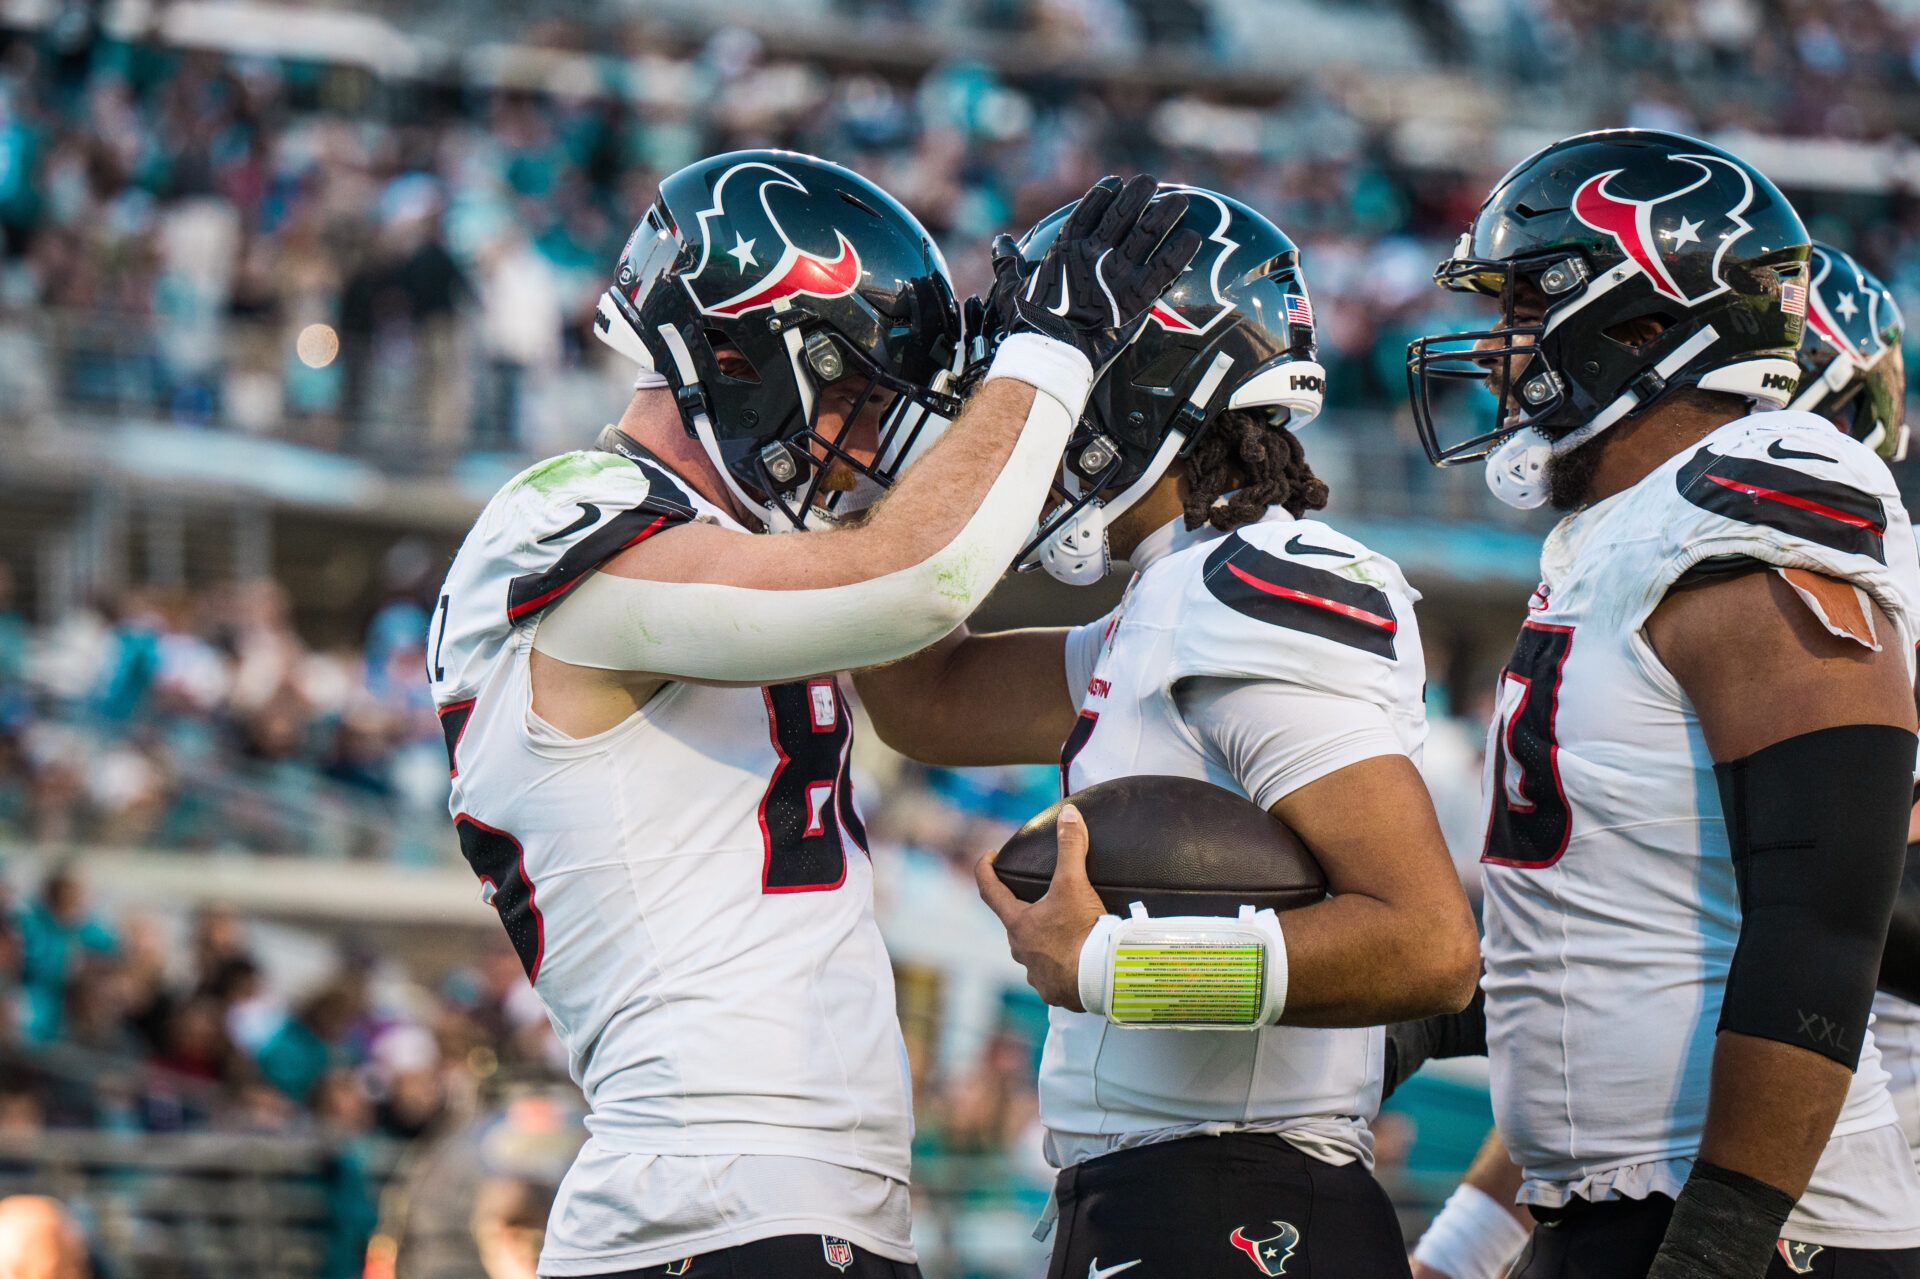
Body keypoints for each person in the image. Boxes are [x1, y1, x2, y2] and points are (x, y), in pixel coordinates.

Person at [428, 151, 1200, 1279]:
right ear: (739, 357)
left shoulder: (721, 546)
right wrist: (1048, 358)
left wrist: (1222, 642)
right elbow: (916, 576)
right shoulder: (559, 517)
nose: (871, 437)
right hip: (714, 1189)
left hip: (778, 1197)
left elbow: (941, 681)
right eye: (855, 389)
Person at [856, 186, 1480, 1278]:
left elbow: (1429, 946)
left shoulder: (1251, 585)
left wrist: (1121, 966)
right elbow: (927, 699)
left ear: (1142, 384)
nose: (1030, 415)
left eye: (1057, 377)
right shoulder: (1171, 597)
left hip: (1242, 1203)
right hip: (1163, 1194)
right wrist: (894, 481)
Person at [1403, 129, 1920, 1277]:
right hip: (1610, 1197)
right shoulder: (1618, 537)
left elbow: (1823, 917)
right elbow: (1621, 929)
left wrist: (1725, 1235)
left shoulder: (1758, 493)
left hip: (1773, 1220)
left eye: (1529, 304)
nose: (1500, 347)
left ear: (1643, 319)